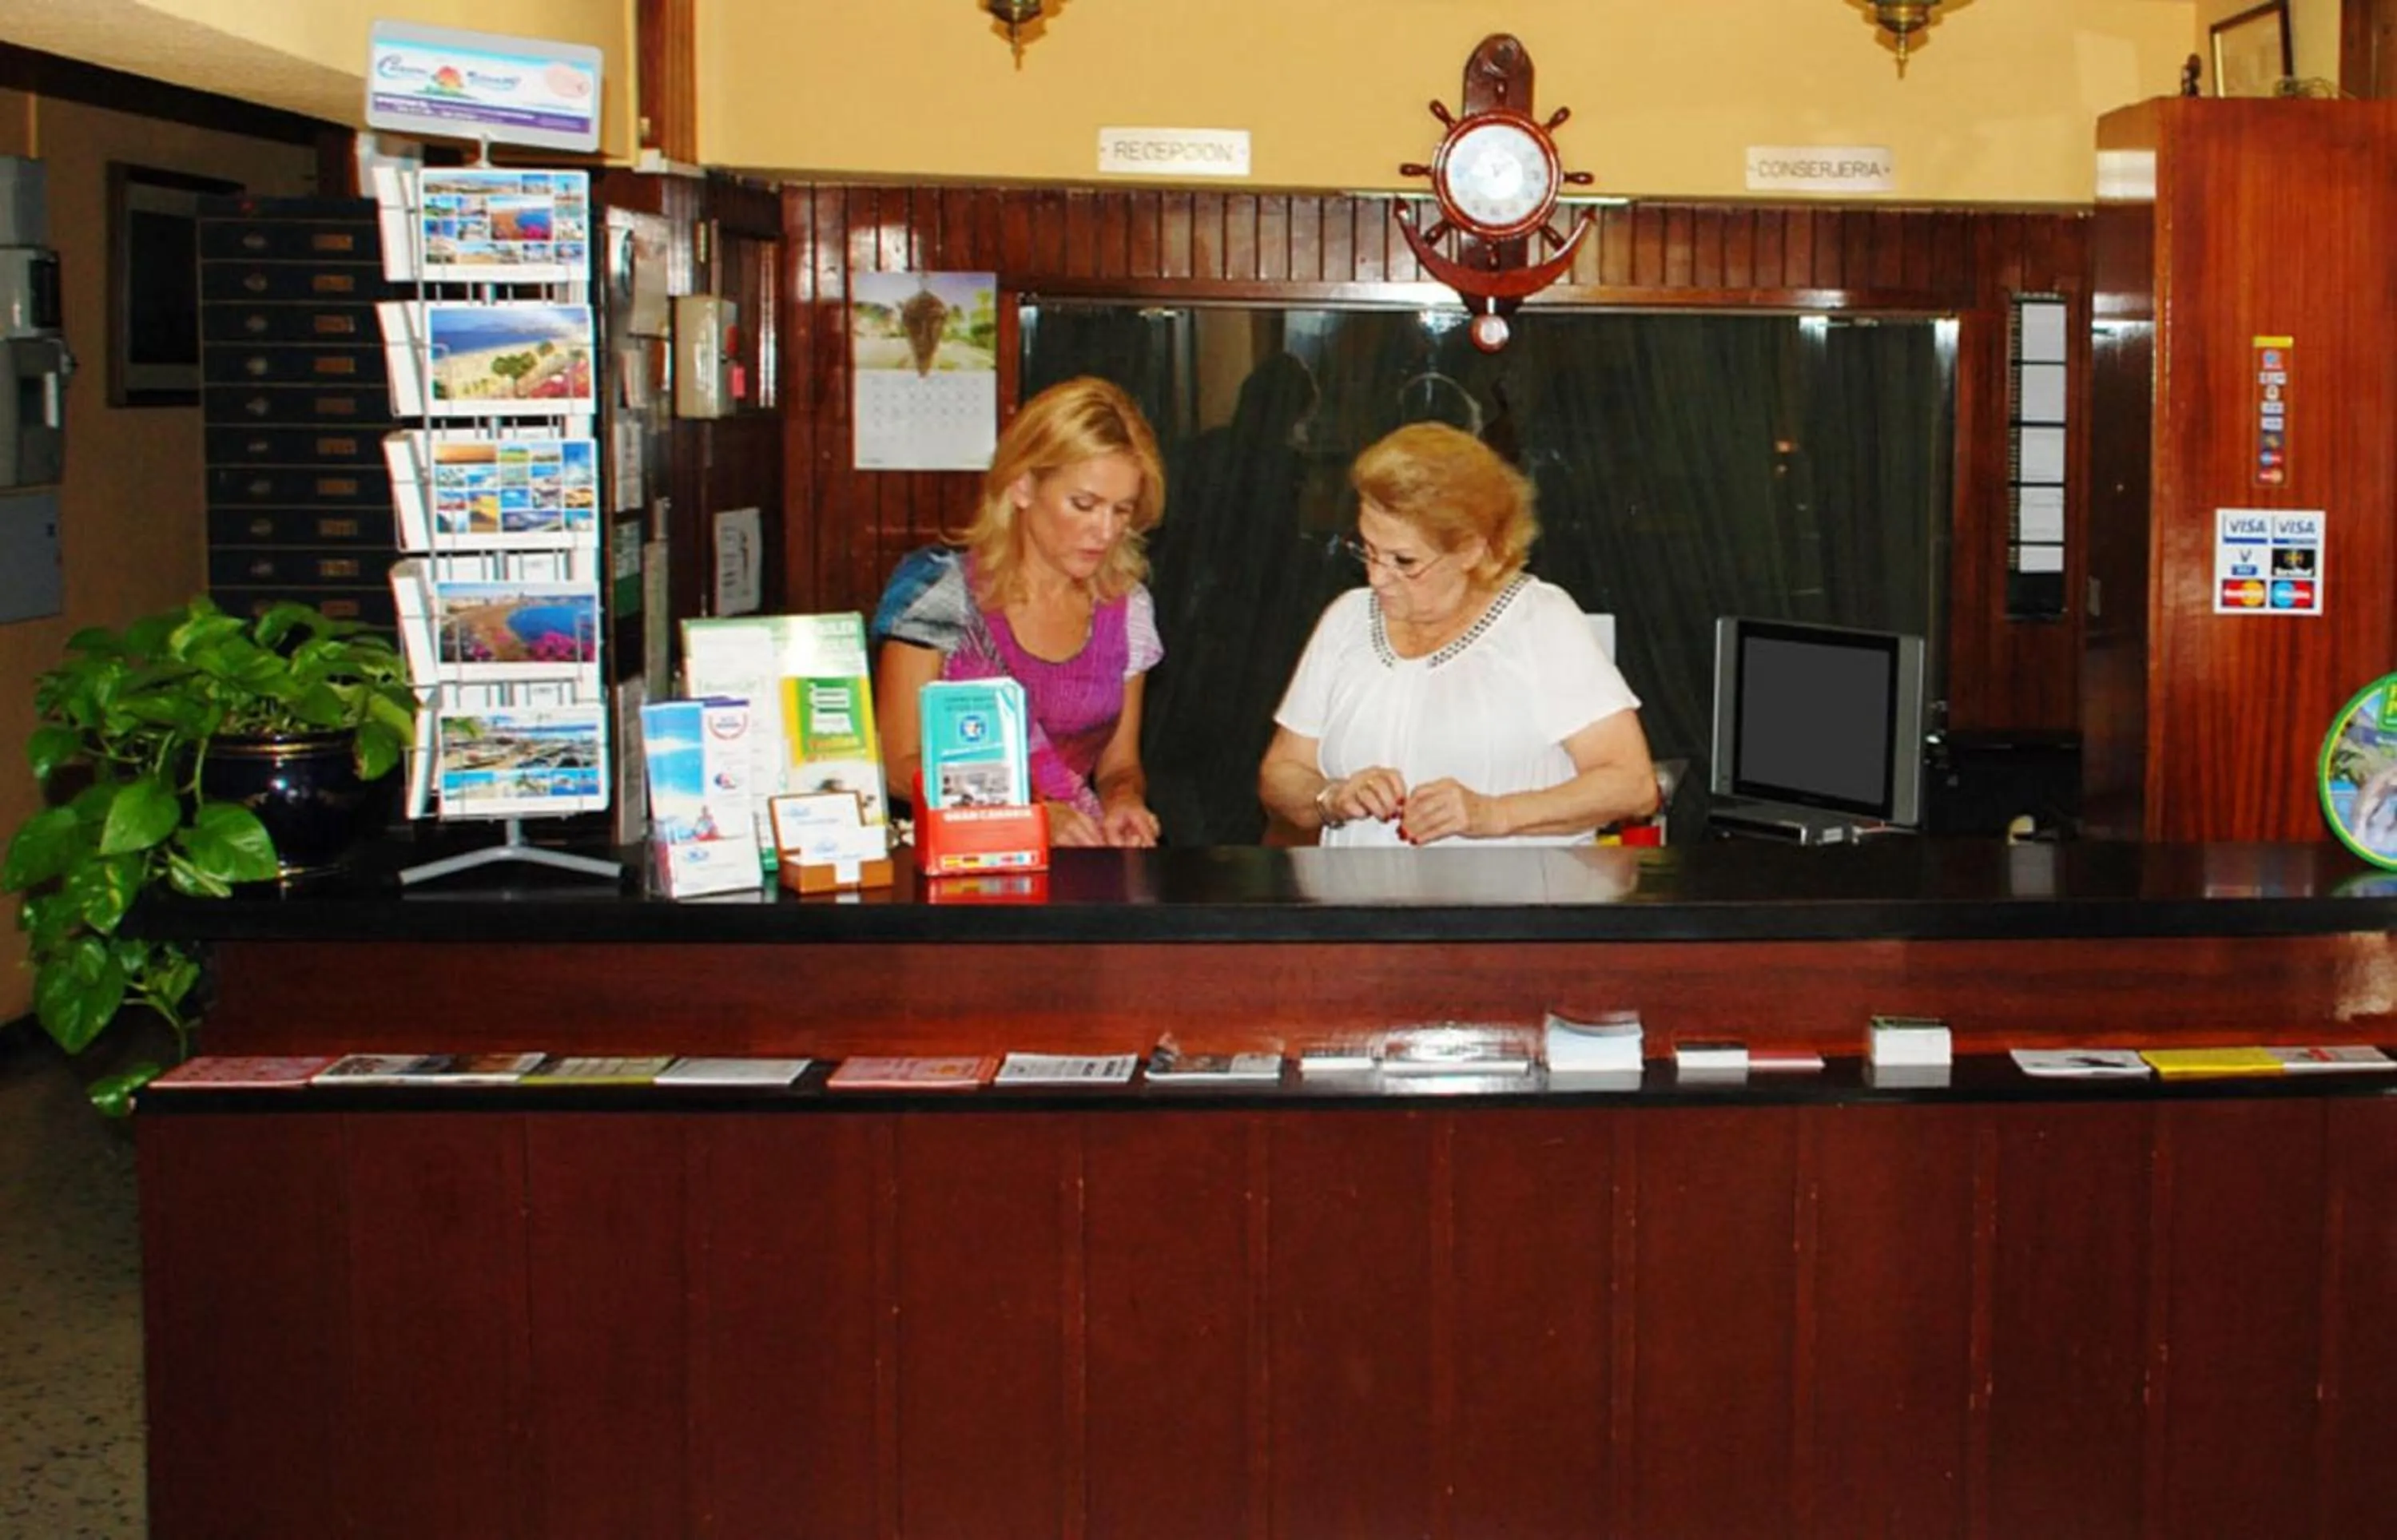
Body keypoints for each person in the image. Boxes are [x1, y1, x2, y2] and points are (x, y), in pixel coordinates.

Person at [1258, 422, 1658, 847]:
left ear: (1472, 549)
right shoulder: (1346, 620)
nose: (1377, 577)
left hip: (1505, 911)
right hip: (1360, 910)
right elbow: (1280, 776)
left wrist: (1493, 814)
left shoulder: (1539, 621)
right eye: (1367, 550)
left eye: (1404, 561)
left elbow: (1632, 786)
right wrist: (1330, 797)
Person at [872, 375, 1166, 847]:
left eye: (1122, 511)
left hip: (1078, 855)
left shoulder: (1125, 608)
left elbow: (1120, 764)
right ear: (1022, 486)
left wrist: (1123, 800)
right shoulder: (943, 594)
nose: (1105, 531)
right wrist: (1024, 813)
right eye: (1084, 505)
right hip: (963, 859)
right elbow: (898, 765)